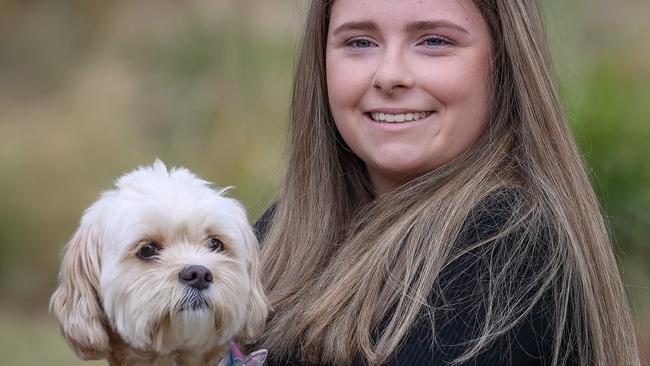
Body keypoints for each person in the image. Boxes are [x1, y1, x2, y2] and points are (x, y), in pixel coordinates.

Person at [251, 0, 641, 365]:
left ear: (505, 61)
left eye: (434, 41)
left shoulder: (504, 246)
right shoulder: (278, 235)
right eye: (359, 42)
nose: (389, 76)